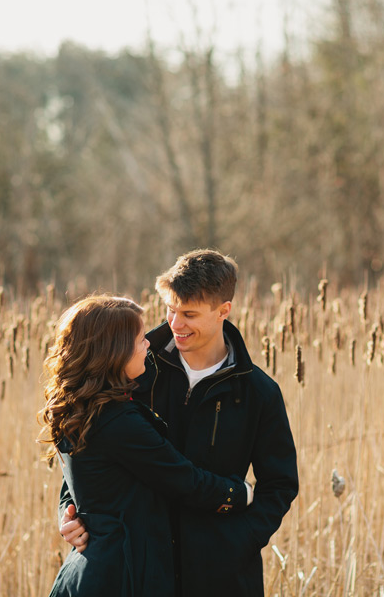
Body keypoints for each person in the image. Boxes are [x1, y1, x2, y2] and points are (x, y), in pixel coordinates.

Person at [60, 250, 299, 596]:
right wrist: (67, 512)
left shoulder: (258, 393)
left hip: (220, 577)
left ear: (223, 311)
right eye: (170, 309)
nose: (175, 324)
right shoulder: (130, 365)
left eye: (189, 314)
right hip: (137, 571)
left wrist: (236, 543)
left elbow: (279, 486)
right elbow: (87, 446)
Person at [39, 295, 252, 597]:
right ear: (114, 351)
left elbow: (85, 474)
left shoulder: (80, 407)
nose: (149, 344)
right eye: (140, 340)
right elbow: (183, 479)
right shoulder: (117, 420)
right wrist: (241, 493)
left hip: (90, 572)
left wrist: (69, 510)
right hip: (120, 576)